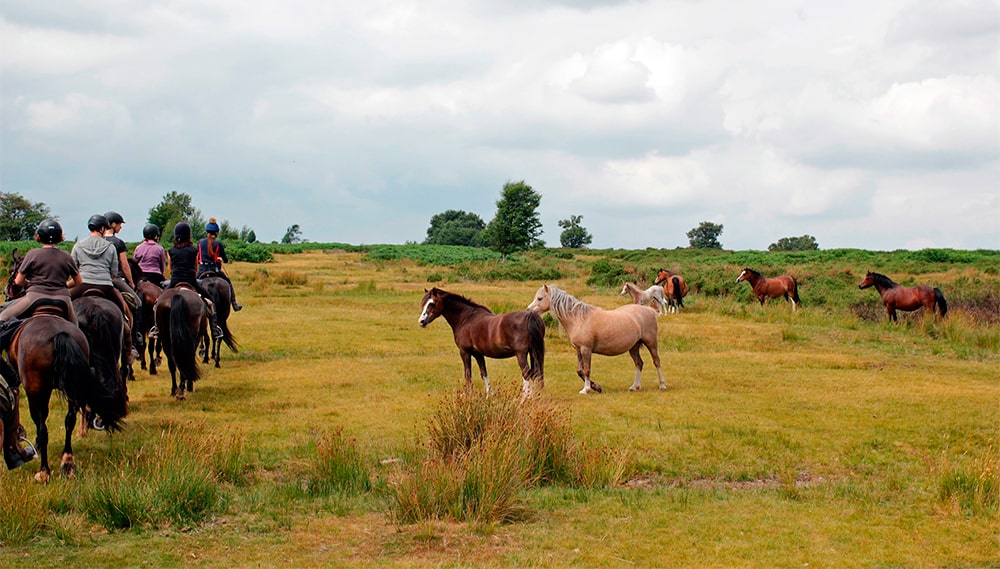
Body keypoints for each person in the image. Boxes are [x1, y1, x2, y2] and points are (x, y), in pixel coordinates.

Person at [0, 219, 77, 469]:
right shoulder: (66, 256)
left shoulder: (32, 254)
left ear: (38, 237)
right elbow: (78, 282)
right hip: (63, 302)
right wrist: (60, 287)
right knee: (78, 333)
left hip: (33, 298)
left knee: (1, 318)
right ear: (60, 238)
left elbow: (19, 283)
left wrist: (38, 285)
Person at [159, 222, 222, 339]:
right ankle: (215, 330)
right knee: (210, 302)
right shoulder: (194, 251)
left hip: (175, 281)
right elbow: (196, 268)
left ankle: (157, 329)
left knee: (158, 302)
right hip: (191, 280)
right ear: (189, 235)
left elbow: (170, 269)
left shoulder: (171, 251)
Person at [70, 214, 132, 328]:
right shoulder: (110, 247)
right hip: (106, 286)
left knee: (65, 305)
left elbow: (73, 269)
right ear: (102, 228)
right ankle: (127, 335)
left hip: (83, 285)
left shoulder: (78, 245)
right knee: (123, 310)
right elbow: (113, 273)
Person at [197, 218, 243, 311]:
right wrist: (219, 259)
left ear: (207, 231)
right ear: (217, 232)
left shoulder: (200, 242)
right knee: (228, 282)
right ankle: (234, 304)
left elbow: (197, 256)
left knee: (192, 284)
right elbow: (225, 259)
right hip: (214, 269)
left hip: (201, 269)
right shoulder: (218, 244)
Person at [103, 211, 141, 316]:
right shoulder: (118, 242)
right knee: (138, 303)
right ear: (113, 224)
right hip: (115, 278)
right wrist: (131, 282)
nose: (121, 227)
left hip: (97, 278)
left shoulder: (98, 240)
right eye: (120, 224)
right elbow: (125, 265)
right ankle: (136, 332)